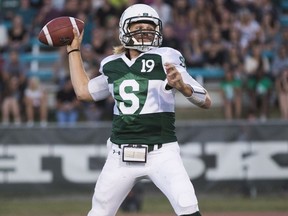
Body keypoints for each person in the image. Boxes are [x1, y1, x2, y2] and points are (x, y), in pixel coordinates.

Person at [66, 4, 211, 216]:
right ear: (125, 30)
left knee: (188, 208)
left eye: (149, 26)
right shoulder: (111, 64)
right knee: (99, 212)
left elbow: (206, 100)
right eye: (138, 26)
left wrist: (183, 87)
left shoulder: (166, 57)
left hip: (161, 152)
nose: (145, 30)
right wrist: (73, 50)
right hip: (120, 154)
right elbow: (83, 92)